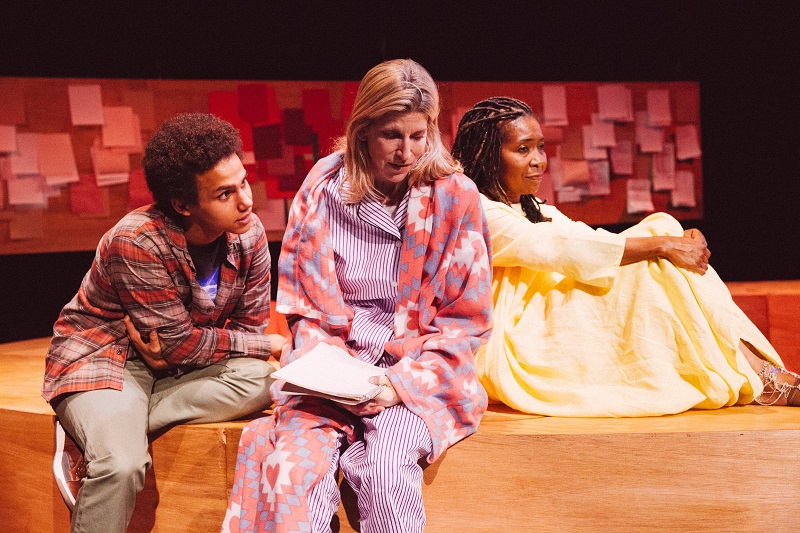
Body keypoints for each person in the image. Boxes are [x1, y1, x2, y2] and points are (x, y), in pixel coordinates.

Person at [221, 59, 493, 533]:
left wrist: (398, 385)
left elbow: (464, 321)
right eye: (392, 135)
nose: (406, 152)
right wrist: (328, 373)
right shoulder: (324, 188)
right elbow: (306, 307)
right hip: (335, 365)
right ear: (363, 129)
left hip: (419, 370)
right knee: (290, 468)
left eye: (418, 135)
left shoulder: (456, 195)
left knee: (387, 468)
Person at [450, 96, 799, 417]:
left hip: (545, 305)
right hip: (513, 331)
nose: (538, 160)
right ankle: (761, 375)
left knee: (659, 233)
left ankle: (758, 373)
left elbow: (583, 237)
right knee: (656, 248)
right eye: (522, 150)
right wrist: (662, 244)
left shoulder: (532, 206)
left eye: (540, 147)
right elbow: (560, 248)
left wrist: (676, 239)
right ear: (488, 154)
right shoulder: (477, 210)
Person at [43, 113, 287, 533]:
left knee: (267, 383)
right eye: (225, 193)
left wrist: (203, 347)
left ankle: (117, 424)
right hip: (109, 359)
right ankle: (106, 434)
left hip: (176, 366)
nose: (246, 201)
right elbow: (190, 344)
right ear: (183, 204)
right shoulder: (137, 240)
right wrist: (266, 345)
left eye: (243, 182)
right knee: (121, 465)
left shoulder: (249, 235)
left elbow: (235, 332)